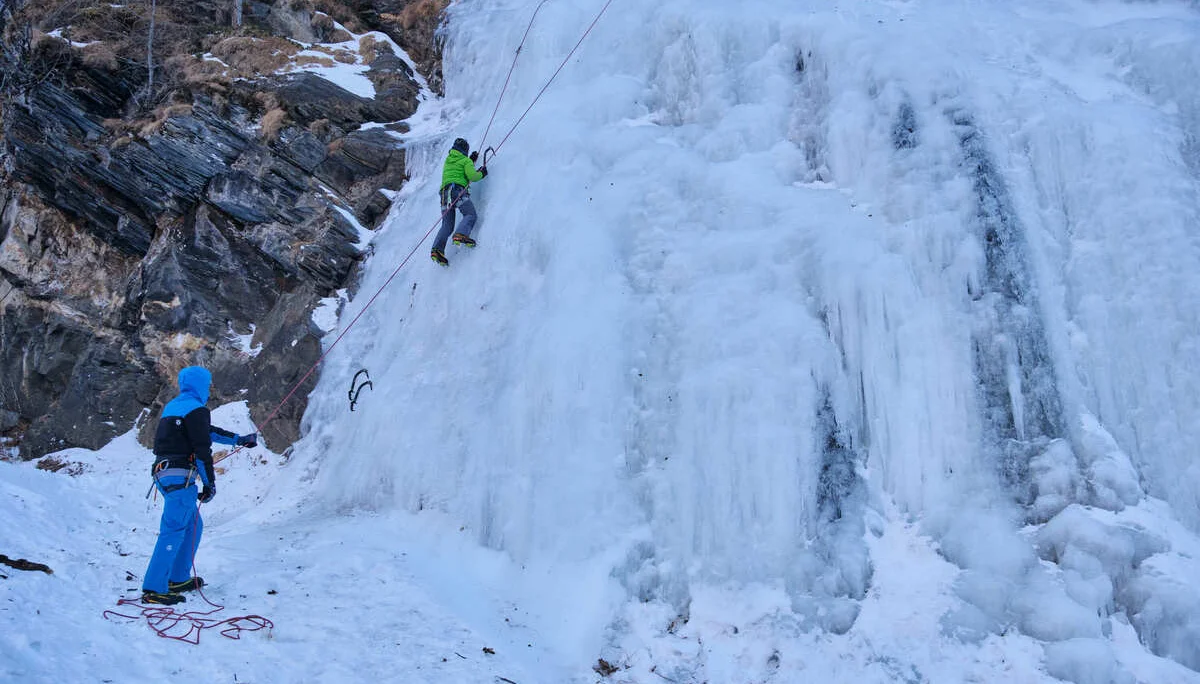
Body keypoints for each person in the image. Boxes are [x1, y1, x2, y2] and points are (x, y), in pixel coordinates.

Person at [140, 366, 257, 605]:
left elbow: (206, 432)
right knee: (173, 530)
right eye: (207, 383)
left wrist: (239, 440)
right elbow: (202, 450)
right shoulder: (196, 409)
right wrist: (209, 484)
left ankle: (177, 578)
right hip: (179, 477)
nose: (209, 388)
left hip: (165, 474)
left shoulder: (175, 406)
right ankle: (154, 588)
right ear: (200, 384)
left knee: (193, 525)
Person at [431, 137, 489, 266]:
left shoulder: (448, 160)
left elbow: (459, 167)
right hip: (456, 191)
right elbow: (473, 176)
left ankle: (437, 250)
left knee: (447, 225)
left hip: (444, 195)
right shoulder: (465, 160)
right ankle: (461, 234)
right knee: (470, 214)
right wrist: (482, 173)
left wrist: (471, 160)